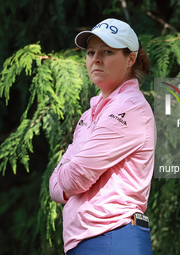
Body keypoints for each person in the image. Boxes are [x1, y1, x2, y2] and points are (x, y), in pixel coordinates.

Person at [49, 18, 156, 255]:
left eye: (107, 51)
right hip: (93, 239)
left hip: (112, 237)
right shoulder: (92, 113)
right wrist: (63, 175)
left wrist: (65, 172)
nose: (96, 58)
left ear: (131, 58)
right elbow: (56, 187)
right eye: (90, 52)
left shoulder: (128, 108)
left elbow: (72, 178)